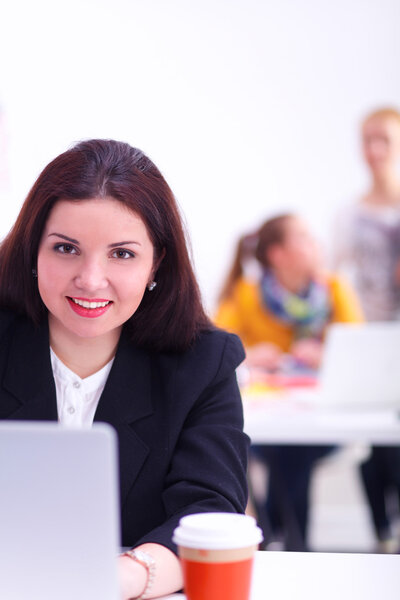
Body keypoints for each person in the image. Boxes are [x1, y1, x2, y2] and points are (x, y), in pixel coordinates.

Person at [0, 139, 249, 598]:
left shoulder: (202, 363)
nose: (91, 279)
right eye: (66, 248)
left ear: (157, 263)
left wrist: (125, 577)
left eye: (122, 254)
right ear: (33, 251)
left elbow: (210, 513)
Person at [215, 213, 363, 550]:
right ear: (277, 254)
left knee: (295, 452)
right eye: (305, 237)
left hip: (324, 420)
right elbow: (215, 344)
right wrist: (249, 353)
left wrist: (326, 355)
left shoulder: (335, 288)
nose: (316, 244)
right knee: (286, 450)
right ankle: (294, 544)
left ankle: (272, 536)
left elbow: (358, 349)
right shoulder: (247, 294)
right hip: (269, 421)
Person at [333, 107, 400, 553]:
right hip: (371, 342)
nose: (374, 150)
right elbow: (334, 278)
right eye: (367, 139)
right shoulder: (350, 213)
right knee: (377, 444)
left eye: (384, 139)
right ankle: (383, 536)